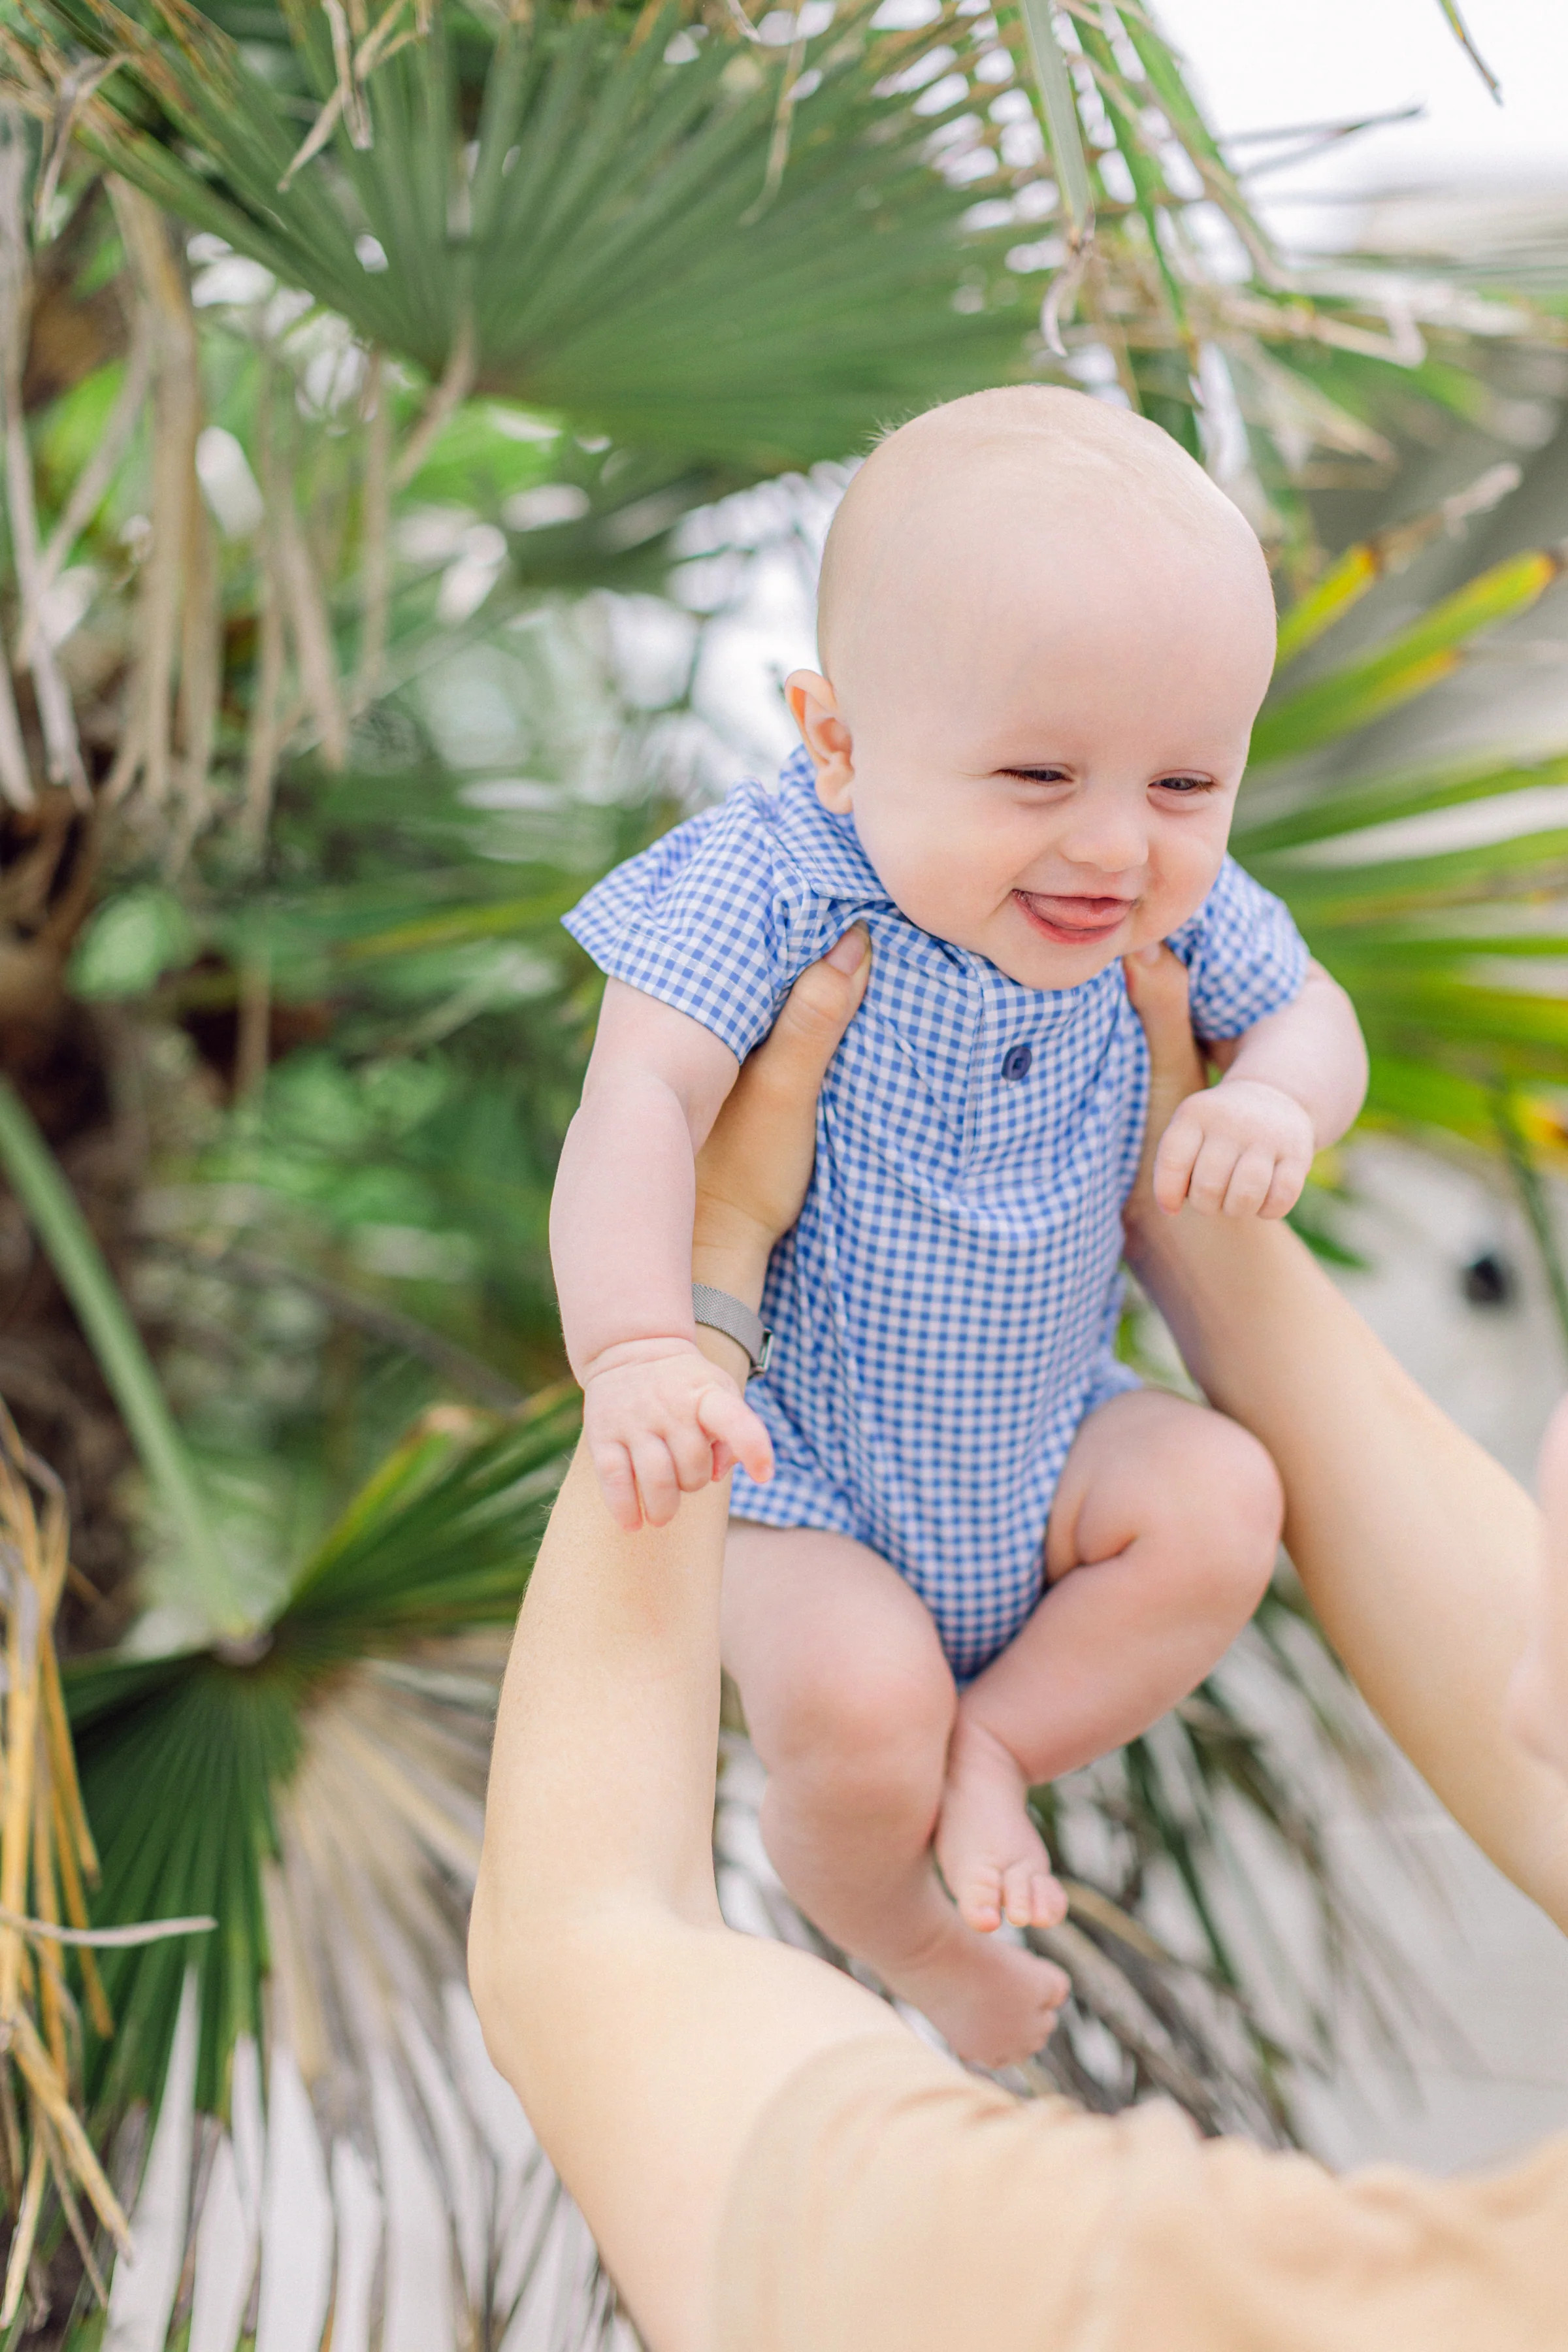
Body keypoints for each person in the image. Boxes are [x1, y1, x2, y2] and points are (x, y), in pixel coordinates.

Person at [471, 935, 1568, 2352]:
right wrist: (1186, 1211)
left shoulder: (1200, 2301)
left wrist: (706, 1272)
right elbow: (1502, 1681)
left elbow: (585, 1945)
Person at [549, 387, 1368, 2060]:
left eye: (1188, 780)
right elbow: (638, 1092)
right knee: (859, 1711)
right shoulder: (777, 876)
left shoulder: (1167, 897)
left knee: (1221, 1503)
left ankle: (999, 1745)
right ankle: (907, 1930)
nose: (1115, 842)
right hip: (808, 1484)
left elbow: (1315, 1017)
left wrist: (1272, 1099)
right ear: (838, 741)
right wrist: (640, 1346)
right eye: (1038, 773)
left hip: (1054, 1438)